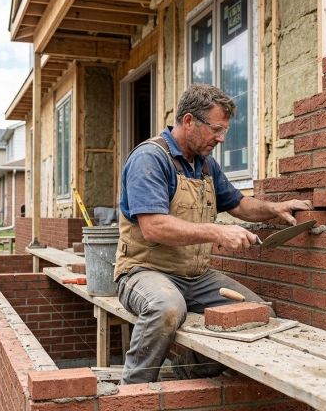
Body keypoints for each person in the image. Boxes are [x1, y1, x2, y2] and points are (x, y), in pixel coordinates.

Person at [115, 84, 313, 384]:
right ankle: (134, 388)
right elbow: (153, 226)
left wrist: (275, 208)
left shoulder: (205, 164)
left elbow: (239, 204)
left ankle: (184, 373)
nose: (221, 138)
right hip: (143, 272)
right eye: (216, 129)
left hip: (195, 277)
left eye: (225, 131)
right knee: (166, 307)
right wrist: (216, 231)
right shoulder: (151, 159)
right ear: (189, 121)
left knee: (257, 313)